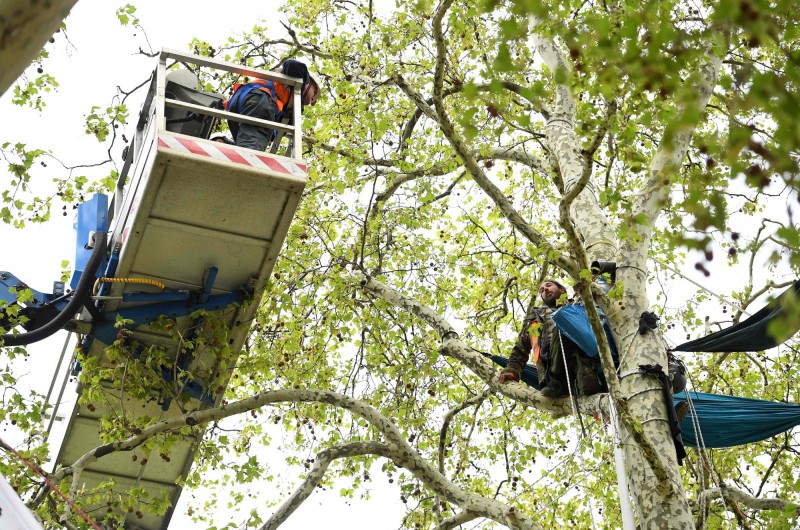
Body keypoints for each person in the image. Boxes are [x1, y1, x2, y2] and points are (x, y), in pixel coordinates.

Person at [499, 280, 601, 398]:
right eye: (541, 290)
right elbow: (521, 347)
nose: (545, 290)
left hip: (585, 366)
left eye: (548, 285)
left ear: (562, 290)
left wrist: (587, 293)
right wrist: (512, 370)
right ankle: (557, 381)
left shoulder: (577, 306)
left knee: (565, 321)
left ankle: (587, 381)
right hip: (553, 368)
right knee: (562, 324)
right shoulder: (535, 318)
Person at [225, 59, 320, 151]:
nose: (312, 100)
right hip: (258, 100)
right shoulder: (297, 77)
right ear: (309, 83)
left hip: (239, 106)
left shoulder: (286, 103)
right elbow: (292, 65)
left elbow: (280, 129)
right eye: (314, 93)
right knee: (251, 149)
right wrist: (303, 83)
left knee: (243, 148)